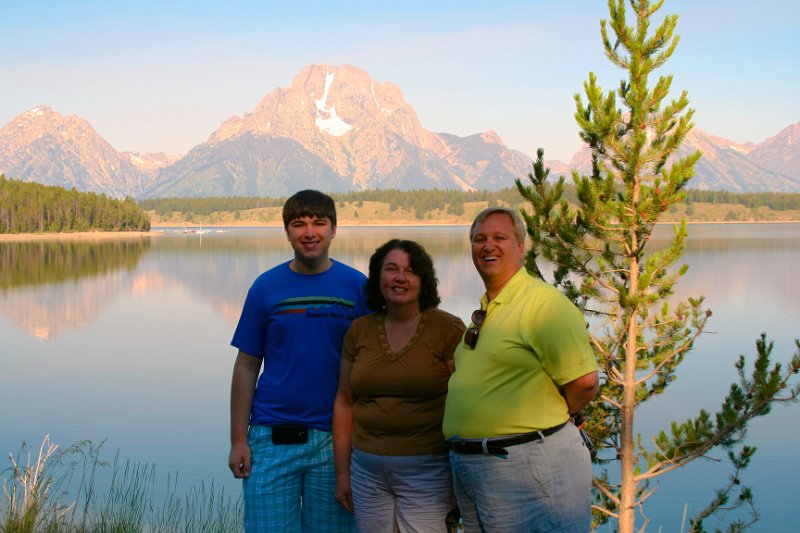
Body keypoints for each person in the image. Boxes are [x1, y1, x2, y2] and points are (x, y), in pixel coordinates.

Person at [442, 206, 599, 533]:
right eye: (479, 239)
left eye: (500, 237)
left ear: (521, 246)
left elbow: (584, 382)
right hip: (478, 470)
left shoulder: (542, 303)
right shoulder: (489, 307)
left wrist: (559, 413)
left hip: (528, 469)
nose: (488, 246)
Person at [228, 190, 367, 533]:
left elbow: (373, 361)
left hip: (336, 442)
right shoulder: (266, 288)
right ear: (287, 232)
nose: (309, 232)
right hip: (271, 438)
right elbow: (247, 365)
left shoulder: (357, 288)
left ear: (334, 230)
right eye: (298, 224)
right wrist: (237, 440)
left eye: (319, 223)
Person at [332, 239, 466, 533]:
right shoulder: (360, 330)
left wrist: (462, 475)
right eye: (391, 269)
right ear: (378, 277)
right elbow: (344, 402)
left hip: (428, 469)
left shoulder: (448, 330)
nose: (400, 278)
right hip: (367, 471)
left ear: (424, 279)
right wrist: (343, 473)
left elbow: (466, 401)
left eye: (410, 270)